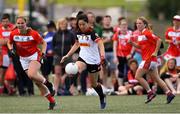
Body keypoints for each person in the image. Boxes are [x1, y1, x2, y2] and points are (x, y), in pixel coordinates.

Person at [7, 16, 56, 110]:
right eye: (18, 23)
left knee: (32, 74)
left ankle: (49, 84)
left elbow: (44, 43)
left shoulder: (33, 33)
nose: (20, 25)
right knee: (37, 82)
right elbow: (9, 42)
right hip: (23, 59)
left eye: (22, 23)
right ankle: (51, 101)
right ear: (16, 24)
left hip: (35, 55)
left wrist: (43, 53)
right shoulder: (13, 33)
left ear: (26, 24)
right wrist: (11, 49)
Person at [60, 14, 106, 109]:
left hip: (94, 61)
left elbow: (100, 43)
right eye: (79, 24)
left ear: (87, 23)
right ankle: (68, 86)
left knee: (94, 84)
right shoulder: (78, 32)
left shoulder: (92, 32)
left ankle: (102, 96)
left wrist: (102, 55)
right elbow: (77, 44)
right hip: (83, 58)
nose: (81, 26)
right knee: (75, 68)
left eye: (83, 24)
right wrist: (67, 55)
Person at [129, 16, 175, 104]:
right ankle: (169, 94)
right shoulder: (141, 34)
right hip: (150, 60)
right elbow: (140, 47)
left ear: (145, 25)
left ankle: (150, 92)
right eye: (137, 23)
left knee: (137, 76)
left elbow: (159, 40)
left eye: (140, 23)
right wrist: (132, 43)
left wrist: (155, 52)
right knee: (157, 79)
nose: (138, 25)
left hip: (149, 59)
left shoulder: (146, 32)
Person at [52, 17, 75, 95]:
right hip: (58, 56)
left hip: (67, 56)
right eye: (62, 24)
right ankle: (55, 90)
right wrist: (55, 53)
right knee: (57, 73)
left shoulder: (70, 34)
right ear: (59, 24)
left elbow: (74, 44)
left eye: (65, 24)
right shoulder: (55, 34)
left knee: (69, 73)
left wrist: (71, 54)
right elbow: (53, 45)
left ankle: (70, 90)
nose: (63, 25)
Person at [112, 17, 133, 86]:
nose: (124, 26)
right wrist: (115, 56)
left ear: (127, 26)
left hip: (128, 55)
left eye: (125, 25)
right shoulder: (117, 34)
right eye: (122, 25)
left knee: (128, 70)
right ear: (120, 26)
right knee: (120, 70)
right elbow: (115, 45)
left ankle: (127, 85)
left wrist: (131, 53)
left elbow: (134, 45)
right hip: (119, 55)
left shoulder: (130, 33)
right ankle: (120, 86)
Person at [0, 13, 16, 95]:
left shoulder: (12, 28)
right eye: (3, 21)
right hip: (4, 53)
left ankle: (11, 88)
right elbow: (1, 42)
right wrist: (10, 39)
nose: (5, 23)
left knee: (13, 72)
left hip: (13, 52)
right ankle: (2, 88)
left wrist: (6, 40)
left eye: (7, 21)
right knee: (3, 72)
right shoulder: (0, 29)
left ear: (9, 21)